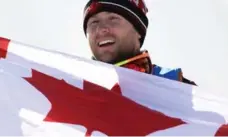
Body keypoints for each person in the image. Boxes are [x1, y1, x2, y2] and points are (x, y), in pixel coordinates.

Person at [82, 0, 196, 85]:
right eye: (94, 22)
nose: (102, 29)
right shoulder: (74, 87)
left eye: (113, 19)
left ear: (138, 31)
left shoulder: (176, 88)